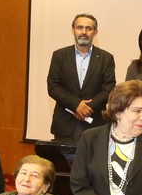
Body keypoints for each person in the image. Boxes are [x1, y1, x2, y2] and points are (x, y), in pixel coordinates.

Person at [47, 13, 117, 143]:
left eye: (88, 28)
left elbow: (109, 88)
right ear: (73, 30)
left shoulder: (106, 58)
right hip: (65, 126)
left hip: (95, 125)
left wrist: (87, 108)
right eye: (80, 27)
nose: (84, 32)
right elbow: (53, 86)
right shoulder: (59, 55)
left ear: (95, 32)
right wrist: (76, 105)